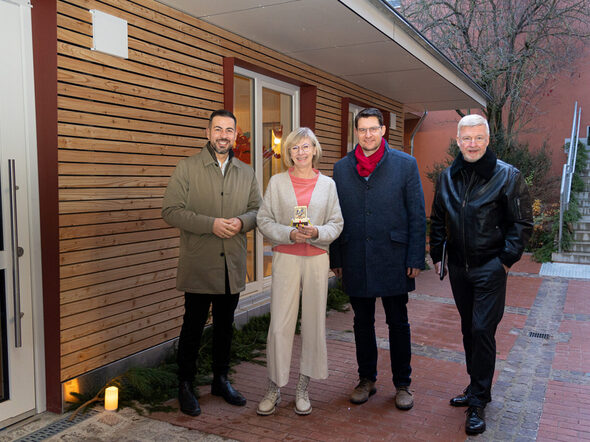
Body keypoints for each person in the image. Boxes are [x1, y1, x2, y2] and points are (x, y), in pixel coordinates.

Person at [429, 114, 533, 435]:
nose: (472, 144)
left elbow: (522, 224)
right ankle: (475, 386)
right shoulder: (448, 176)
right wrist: (437, 254)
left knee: (481, 330)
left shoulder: (507, 176)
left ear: (488, 140)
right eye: (466, 138)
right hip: (460, 268)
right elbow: (436, 219)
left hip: (490, 267)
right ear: (458, 142)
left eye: (478, 138)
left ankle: (478, 400)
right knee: (467, 330)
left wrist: (504, 260)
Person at [162, 109, 262, 416]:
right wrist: (211, 224)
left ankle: (220, 380)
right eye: (217, 129)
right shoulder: (187, 168)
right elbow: (171, 211)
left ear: (235, 136)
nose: (223, 135)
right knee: (192, 327)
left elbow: (259, 211)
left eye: (229, 130)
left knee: (225, 328)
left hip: (230, 266)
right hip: (199, 265)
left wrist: (242, 221)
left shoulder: (246, 172)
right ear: (208, 133)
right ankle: (186, 385)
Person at [330, 108, 426, 411]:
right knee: (362, 322)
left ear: (383, 130)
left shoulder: (405, 164)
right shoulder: (341, 168)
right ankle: (366, 380)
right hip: (356, 256)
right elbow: (335, 215)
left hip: (394, 258)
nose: (368, 134)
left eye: (373, 129)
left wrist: (415, 257)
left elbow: (417, 214)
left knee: (398, 322)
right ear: (355, 132)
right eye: (362, 130)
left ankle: (403, 384)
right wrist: (337, 257)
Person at [256, 127, 343, 416]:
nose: (301, 152)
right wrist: (287, 234)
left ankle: (303, 388)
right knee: (280, 324)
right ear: (288, 153)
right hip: (286, 257)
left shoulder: (328, 185)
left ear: (315, 150)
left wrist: (317, 231)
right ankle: (274, 387)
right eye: (295, 148)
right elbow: (264, 220)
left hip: (317, 258)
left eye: (306, 147)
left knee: (314, 323)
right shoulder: (277, 182)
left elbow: (337, 223)